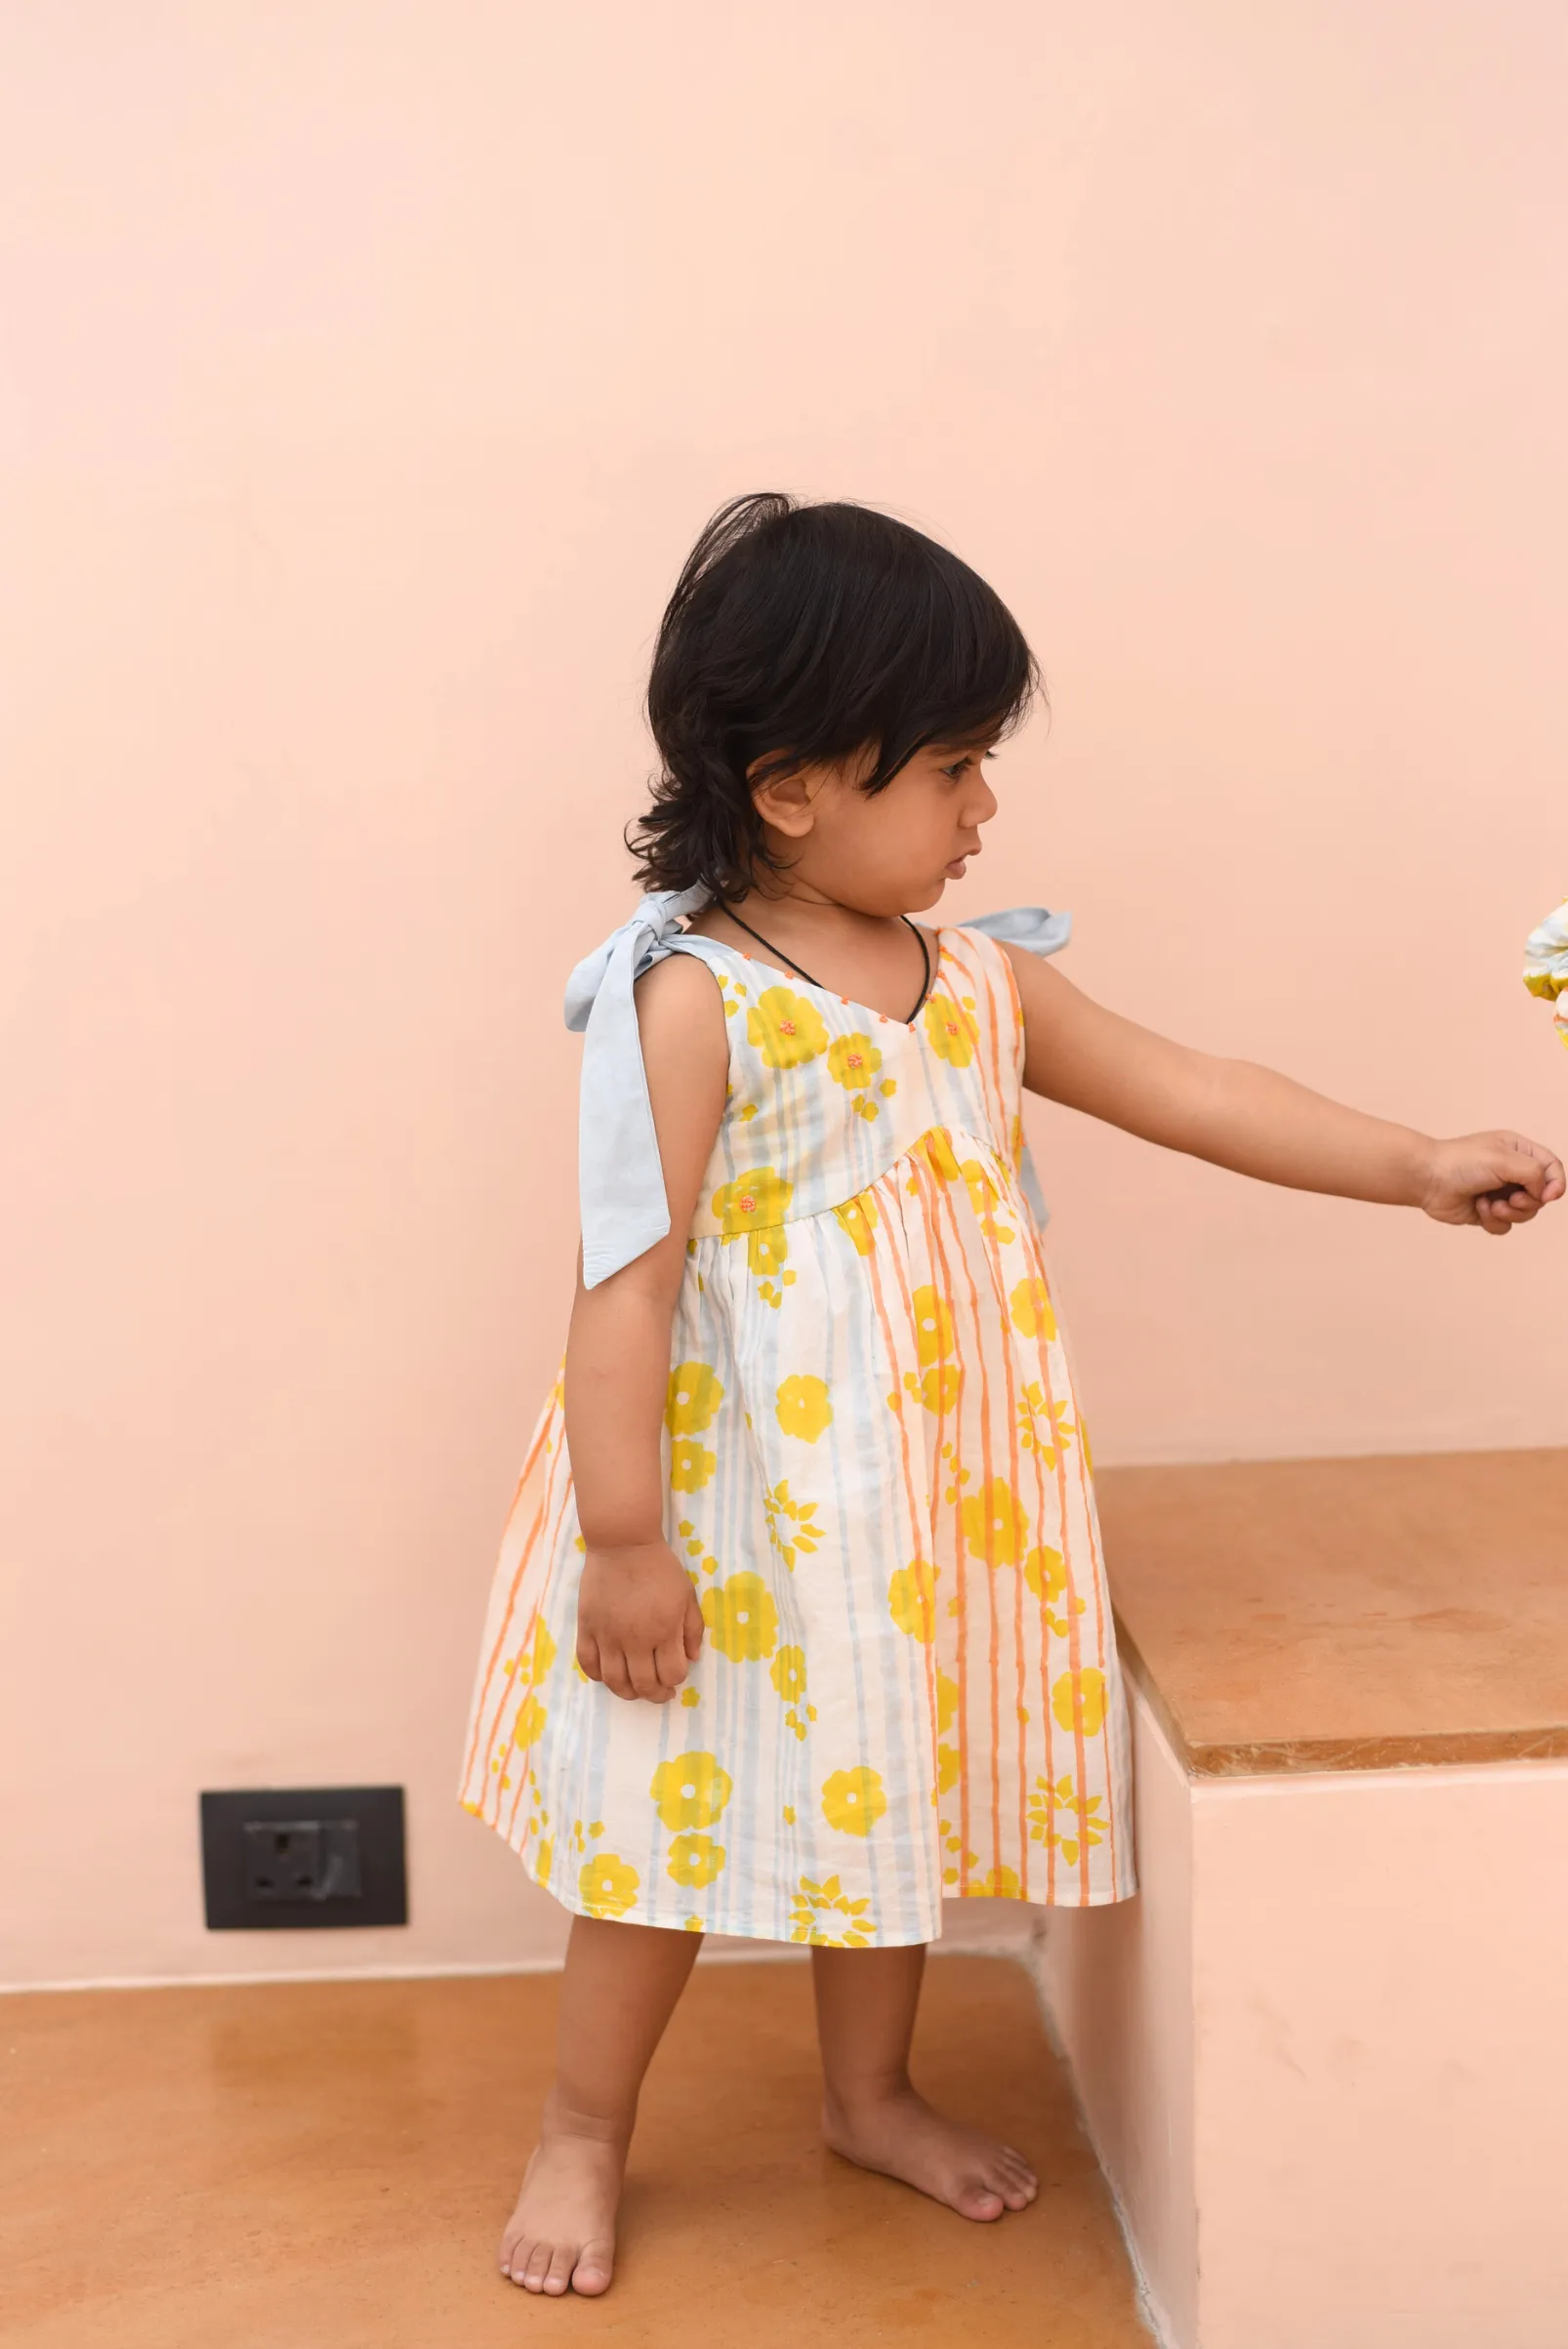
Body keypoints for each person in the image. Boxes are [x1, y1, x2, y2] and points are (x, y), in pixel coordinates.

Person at [459, 493, 1563, 2298]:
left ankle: (867, 2089)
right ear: (796, 781)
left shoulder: (980, 980)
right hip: (733, 1511)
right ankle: (583, 2126)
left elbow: (1196, 1086)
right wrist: (624, 1537)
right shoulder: (692, 1004)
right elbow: (623, 1281)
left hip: (929, 1504)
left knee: (889, 1786)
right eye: (956, 768)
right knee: (656, 1832)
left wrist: (1416, 1159)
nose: (986, 811)